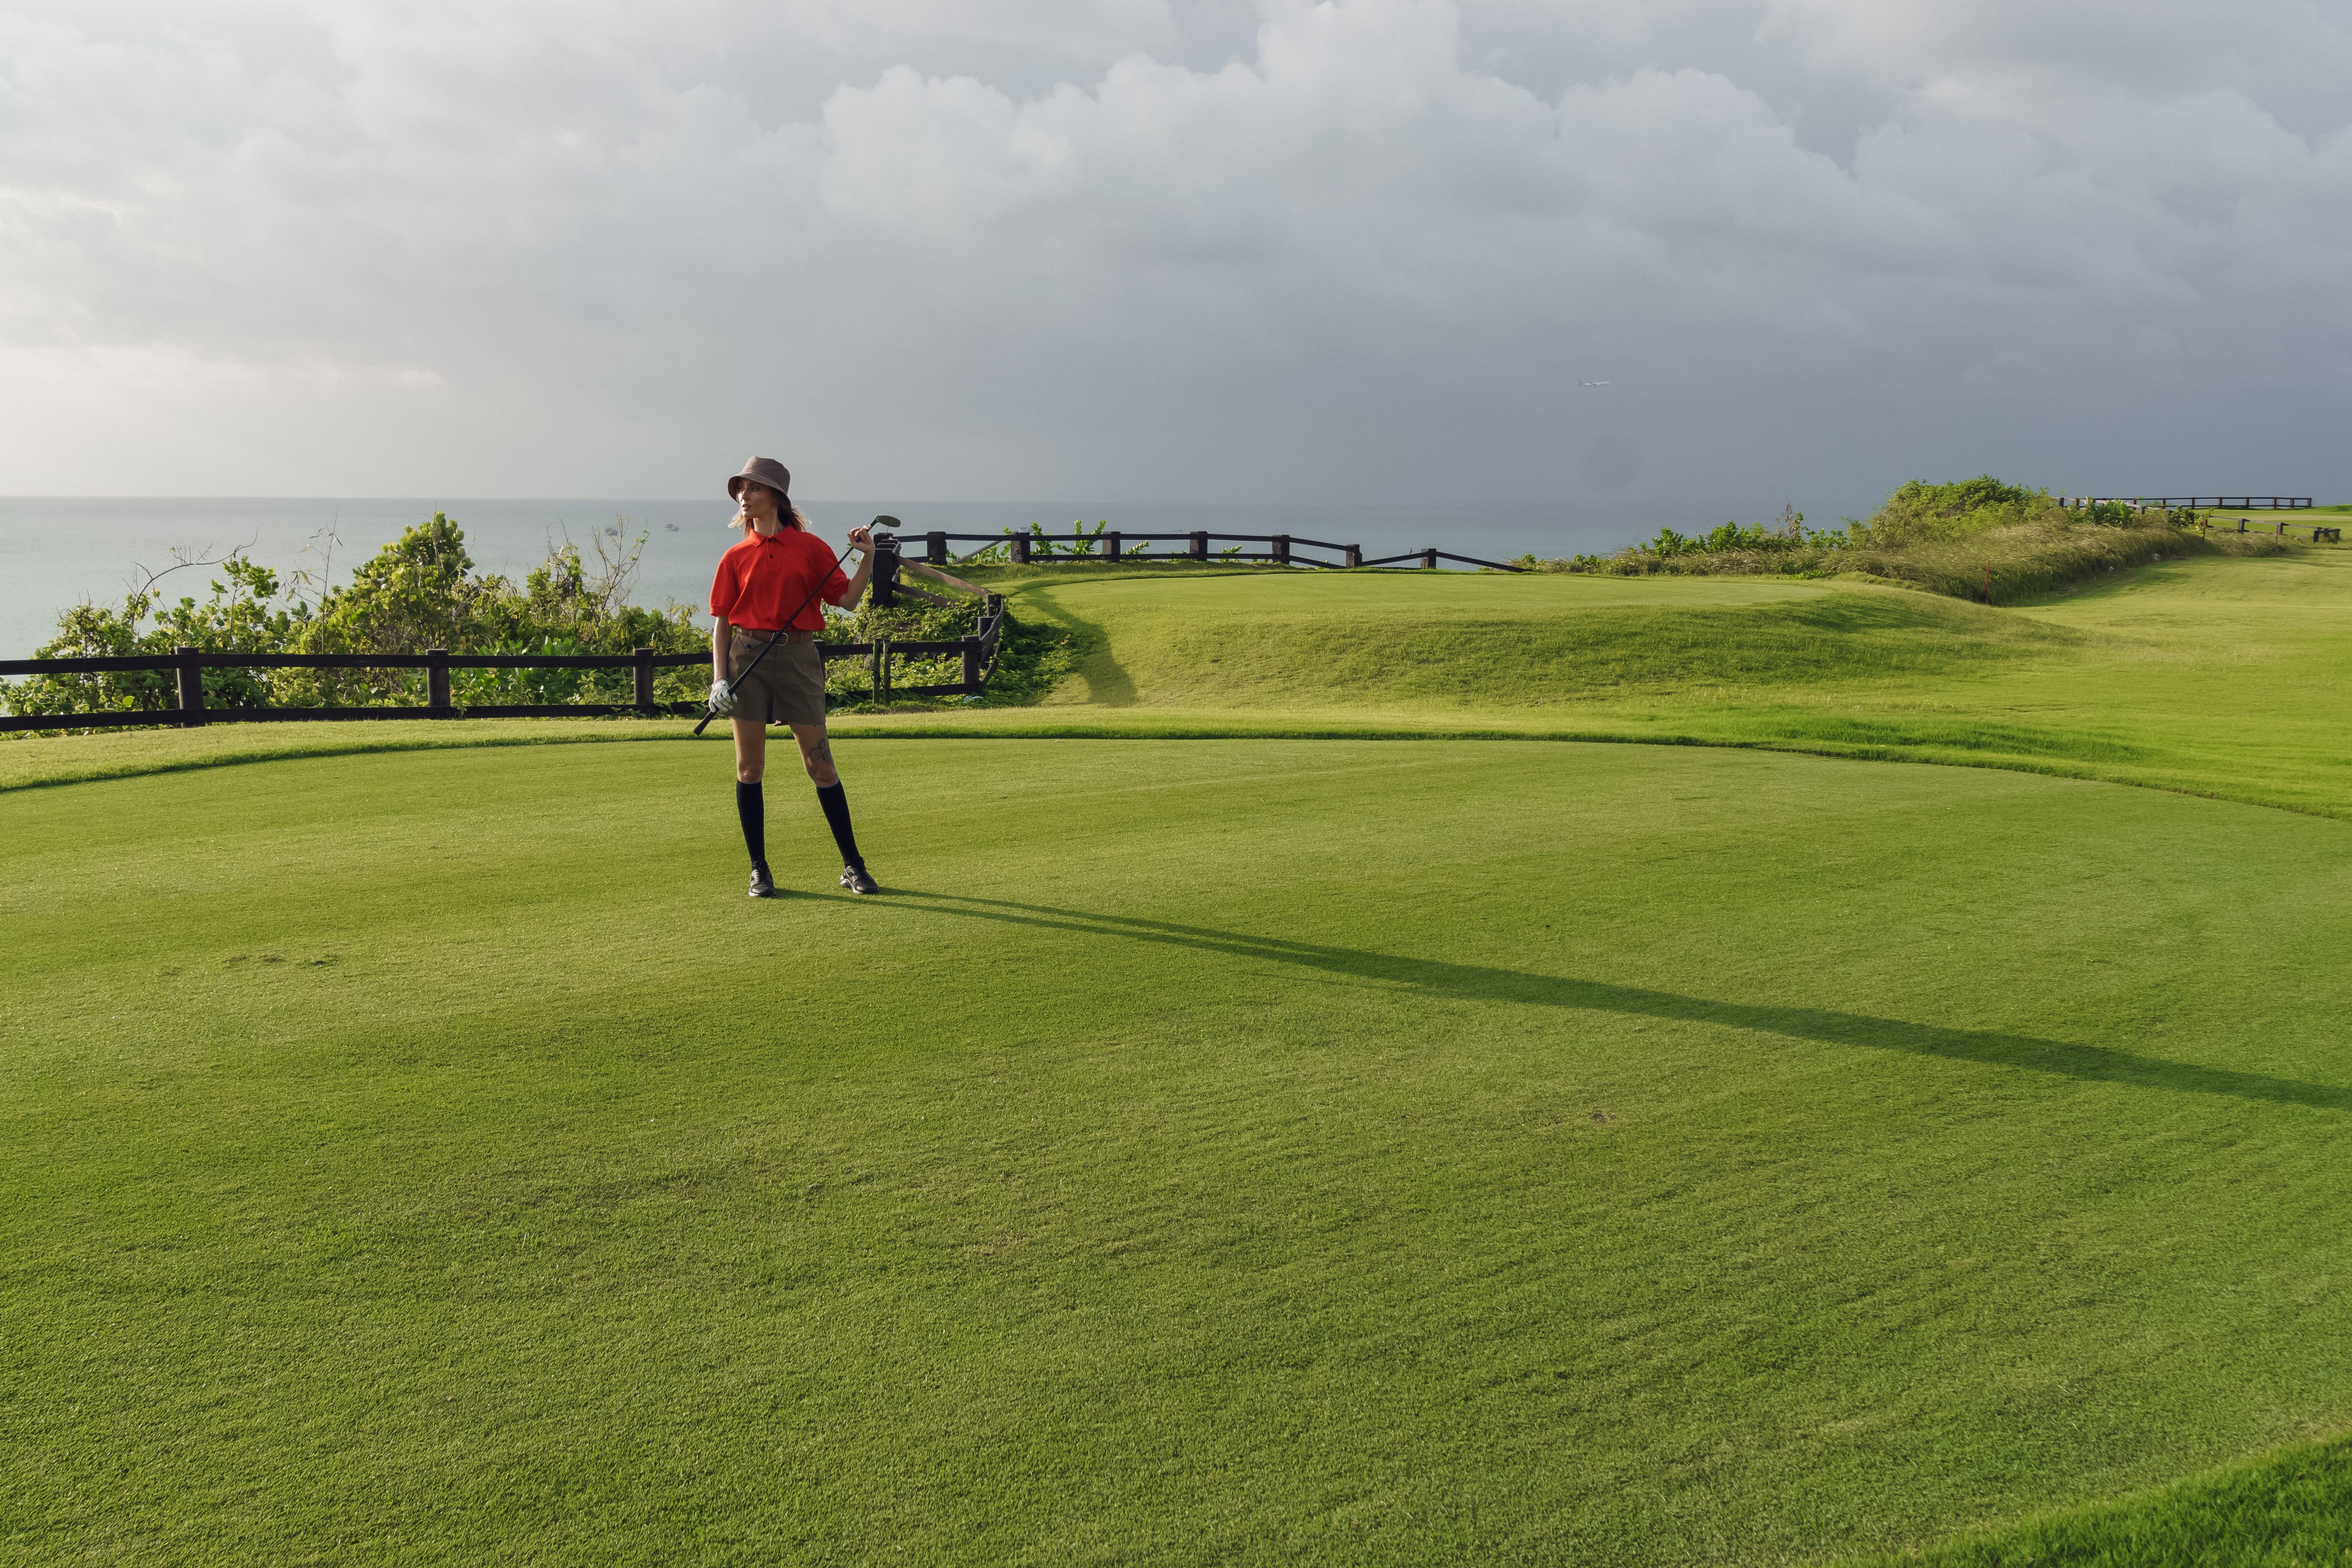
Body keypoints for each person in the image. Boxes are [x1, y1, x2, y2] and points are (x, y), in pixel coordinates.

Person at [706, 456, 880, 898]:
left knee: (820, 765)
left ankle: (853, 865)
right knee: (750, 767)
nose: (744, 496)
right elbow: (722, 624)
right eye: (741, 489)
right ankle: (759, 869)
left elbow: (848, 600)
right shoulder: (735, 555)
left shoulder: (811, 548)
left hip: (800, 659)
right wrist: (718, 679)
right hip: (747, 658)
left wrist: (868, 560)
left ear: (776, 498)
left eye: (753, 489)